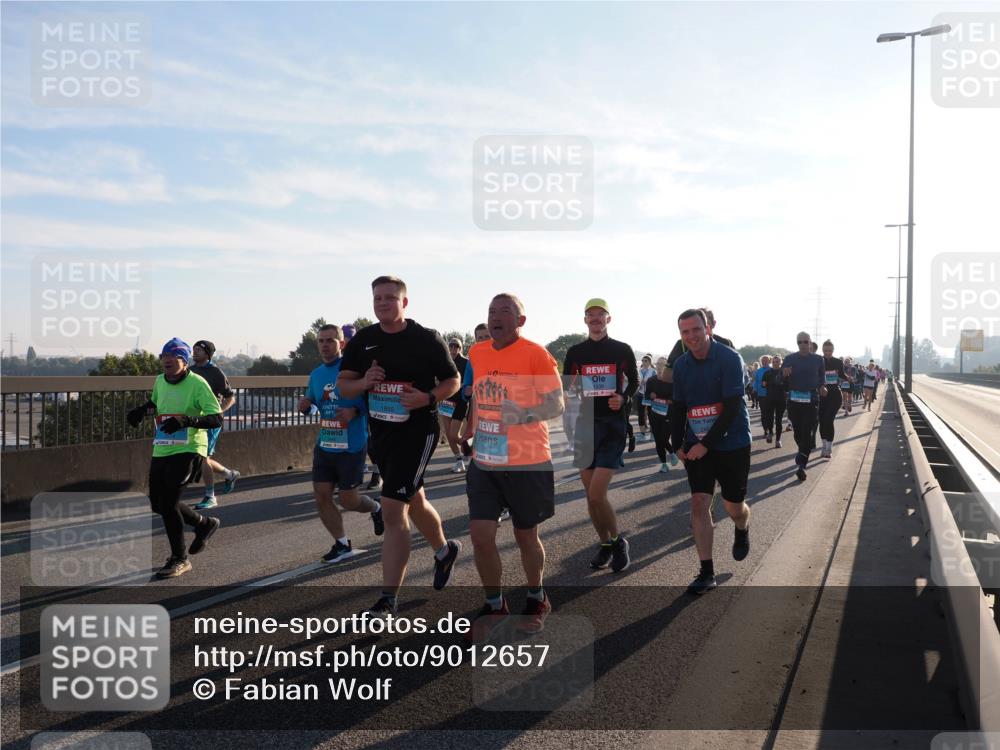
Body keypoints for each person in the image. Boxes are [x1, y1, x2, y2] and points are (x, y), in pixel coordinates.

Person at [337, 276, 463, 617]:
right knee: (414, 498)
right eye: (377, 298)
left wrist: (428, 397)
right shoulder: (364, 340)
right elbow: (344, 385)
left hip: (417, 433)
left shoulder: (426, 338)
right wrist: (364, 382)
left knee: (393, 509)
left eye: (390, 298)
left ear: (404, 302)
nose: (382, 303)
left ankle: (387, 600)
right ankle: (444, 551)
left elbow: (453, 380)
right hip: (381, 434)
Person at [463, 293, 564, 641]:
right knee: (480, 536)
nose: (496, 317)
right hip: (486, 461)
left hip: (527, 461)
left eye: (505, 311)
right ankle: (495, 605)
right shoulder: (477, 353)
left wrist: (523, 414)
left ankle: (537, 597)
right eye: (492, 311)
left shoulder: (537, 354)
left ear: (520, 321)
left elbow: (557, 404)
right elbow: (479, 395)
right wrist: (470, 427)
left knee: (525, 536)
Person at [670, 310, 752, 595]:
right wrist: (676, 442)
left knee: (733, 506)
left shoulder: (729, 358)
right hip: (697, 445)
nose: (691, 336)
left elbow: (731, 407)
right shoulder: (681, 365)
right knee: (698, 503)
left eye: (696, 329)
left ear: (708, 328)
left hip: (733, 443)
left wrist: (706, 443)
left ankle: (742, 526)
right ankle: (706, 572)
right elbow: (679, 406)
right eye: (685, 332)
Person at [126, 338, 223, 579]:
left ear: (184, 360)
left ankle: (179, 558)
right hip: (163, 447)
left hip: (189, 448)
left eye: (173, 356)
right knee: (157, 503)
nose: (166, 360)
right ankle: (203, 524)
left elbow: (216, 418)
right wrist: (140, 411)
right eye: (164, 356)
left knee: (169, 503)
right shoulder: (160, 380)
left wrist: (186, 421)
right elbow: (156, 403)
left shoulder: (197, 383)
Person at [563, 298, 638, 573]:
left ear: (609, 319)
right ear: (585, 320)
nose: (595, 318)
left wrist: (624, 398)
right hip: (585, 425)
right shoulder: (575, 352)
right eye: (590, 315)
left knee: (597, 494)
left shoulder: (622, 349)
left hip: (612, 427)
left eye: (600, 314)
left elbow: (635, 382)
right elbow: (567, 388)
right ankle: (605, 544)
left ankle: (618, 542)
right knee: (590, 496)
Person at [298, 324, 383, 563]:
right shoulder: (316, 375)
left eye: (330, 340)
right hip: (325, 445)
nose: (325, 345)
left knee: (349, 500)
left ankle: (377, 508)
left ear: (341, 343)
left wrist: (354, 411)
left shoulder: (353, 369)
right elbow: (315, 405)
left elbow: (373, 400)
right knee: (321, 496)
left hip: (352, 446)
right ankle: (342, 544)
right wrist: (306, 406)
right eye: (321, 341)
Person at [189, 340, 240, 510]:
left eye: (198, 350)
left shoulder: (215, 372)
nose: (195, 352)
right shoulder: (190, 371)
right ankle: (229, 474)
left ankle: (210, 496)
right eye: (194, 349)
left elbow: (231, 398)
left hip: (211, 421)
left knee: (203, 457)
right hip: (194, 420)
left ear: (208, 354)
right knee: (198, 457)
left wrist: (218, 412)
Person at [781, 333, 826, 481]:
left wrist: (822, 387)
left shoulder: (818, 359)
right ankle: (802, 451)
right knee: (798, 433)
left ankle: (802, 466)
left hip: (811, 400)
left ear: (810, 342)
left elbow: (822, 378)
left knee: (807, 432)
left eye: (805, 342)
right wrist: (784, 374)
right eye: (799, 342)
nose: (802, 344)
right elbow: (779, 379)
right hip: (794, 401)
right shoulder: (789, 358)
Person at [663, 307, 734, 383]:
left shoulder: (726, 344)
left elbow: (737, 374)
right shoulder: (682, 344)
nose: (692, 335)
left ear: (712, 324)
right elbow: (666, 375)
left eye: (697, 328)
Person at [442, 337, 470, 473]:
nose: (453, 348)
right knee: (448, 434)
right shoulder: (444, 361)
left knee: (454, 434)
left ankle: (471, 452)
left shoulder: (466, 362)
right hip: (445, 401)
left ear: (460, 348)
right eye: (451, 345)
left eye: (456, 346)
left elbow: (469, 381)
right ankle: (459, 461)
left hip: (460, 402)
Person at [645, 356, 677, 472]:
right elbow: (646, 396)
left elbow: (676, 397)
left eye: (662, 364)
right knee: (658, 441)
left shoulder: (672, 381)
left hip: (668, 414)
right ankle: (664, 464)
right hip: (654, 414)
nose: (659, 366)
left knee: (663, 439)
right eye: (658, 364)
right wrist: (650, 395)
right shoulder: (651, 380)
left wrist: (670, 400)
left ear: (666, 367)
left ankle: (672, 453)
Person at [818, 340, 847, 459]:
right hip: (821, 395)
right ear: (822, 350)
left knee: (829, 420)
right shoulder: (818, 361)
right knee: (822, 421)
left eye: (829, 351)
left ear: (833, 350)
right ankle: (824, 445)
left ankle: (829, 448)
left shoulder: (838, 362)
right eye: (825, 351)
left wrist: (848, 378)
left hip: (834, 394)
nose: (827, 353)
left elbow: (842, 375)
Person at [761, 355, 787, 447]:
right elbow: (763, 384)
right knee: (769, 418)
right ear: (772, 362)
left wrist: (784, 383)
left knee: (779, 420)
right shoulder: (767, 373)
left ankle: (778, 440)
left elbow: (788, 386)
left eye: (777, 362)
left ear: (780, 363)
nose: (775, 363)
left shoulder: (784, 372)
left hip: (781, 399)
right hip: (770, 398)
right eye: (774, 362)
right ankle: (770, 432)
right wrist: (764, 384)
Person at [635, 354, 655, 441]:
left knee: (651, 414)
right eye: (642, 361)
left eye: (646, 361)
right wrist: (638, 384)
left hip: (649, 395)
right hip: (640, 394)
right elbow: (636, 382)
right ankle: (642, 433)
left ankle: (652, 434)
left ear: (650, 362)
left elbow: (656, 383)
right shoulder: (639, 371)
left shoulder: (653, 371)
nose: (643, 362)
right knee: (641, 414)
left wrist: (648, 383)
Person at [753, 356, 771, 432]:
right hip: (761, 394)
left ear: (769, 361)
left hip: (771, 394)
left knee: (770, 412)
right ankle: (765, 429)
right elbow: (756, 381)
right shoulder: (759, 371)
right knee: (763, 412)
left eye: (766, 360)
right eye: (763, 361)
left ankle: (770, 428)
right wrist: (755, 389)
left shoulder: (772, 370)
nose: (764, 362)